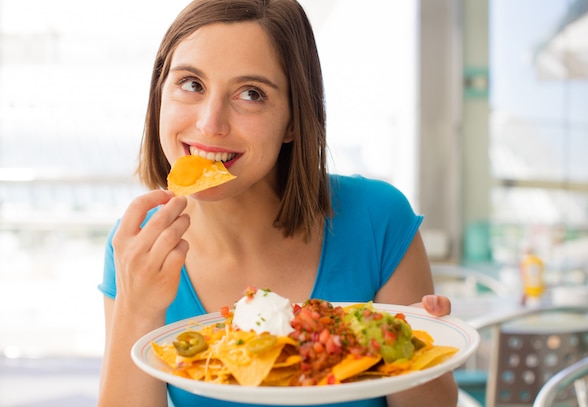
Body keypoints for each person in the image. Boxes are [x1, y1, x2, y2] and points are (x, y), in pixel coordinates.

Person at [97, 0, 458, 406]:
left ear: (293, 120)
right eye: (192, 84)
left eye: (250, 94)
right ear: (160, 92)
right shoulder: (139, 246)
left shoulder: (378, 220)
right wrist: (136, 309)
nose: (210, 123)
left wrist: (411, 347)